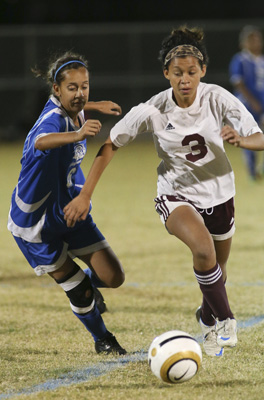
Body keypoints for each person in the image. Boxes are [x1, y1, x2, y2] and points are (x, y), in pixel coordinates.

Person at [63, 27, 264, 357]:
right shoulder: (153, 108)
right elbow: (111, 144)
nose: (185, 79)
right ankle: (226, 321)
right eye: (177, 73)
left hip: (220, 195)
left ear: (202, 71)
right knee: (203, 251)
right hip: (175, 194)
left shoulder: (218, 97)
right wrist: (86, 194)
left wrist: (240, 140)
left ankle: (206, 316)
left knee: (218, 268)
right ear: (166, 74)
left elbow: (261, 140)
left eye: (191, 72)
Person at [7, 51, 126, 355]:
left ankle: (86, 283)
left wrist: (93, 105)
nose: (80, 93)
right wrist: (76, 134)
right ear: (56, 90)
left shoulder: (76, 110)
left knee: (113, 276)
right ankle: (103, 339)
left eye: (84, 86)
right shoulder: (53, 121)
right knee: (81, 292)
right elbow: (40, 141)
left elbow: (81, 107)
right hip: (37, 224)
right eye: (72, 88)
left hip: (69, 208)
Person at [229, 25, 264, 181]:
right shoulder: (240, 59)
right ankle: (253, 173)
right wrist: (252, 101)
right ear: (244, 43)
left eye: (258, 39)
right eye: (252, 40)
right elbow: (238, 83)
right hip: (247, 104)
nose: (256, 43)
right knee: (249, 139)